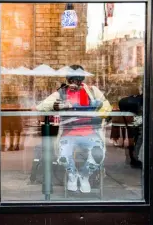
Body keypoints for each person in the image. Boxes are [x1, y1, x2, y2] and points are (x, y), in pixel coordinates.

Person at [36, 65, 112, 193]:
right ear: (68, 79)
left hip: (90, 132)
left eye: (78, 80)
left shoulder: (92, 91)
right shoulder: (62, 92)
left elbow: (107, 106)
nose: (75, 83)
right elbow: (41, 106)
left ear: (82, 79)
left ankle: (84, 175)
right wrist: (57, 105)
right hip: (68, 133)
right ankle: (72, 175)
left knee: (98, 155)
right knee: (63, 156)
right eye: (72, 79)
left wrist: (96, 112)